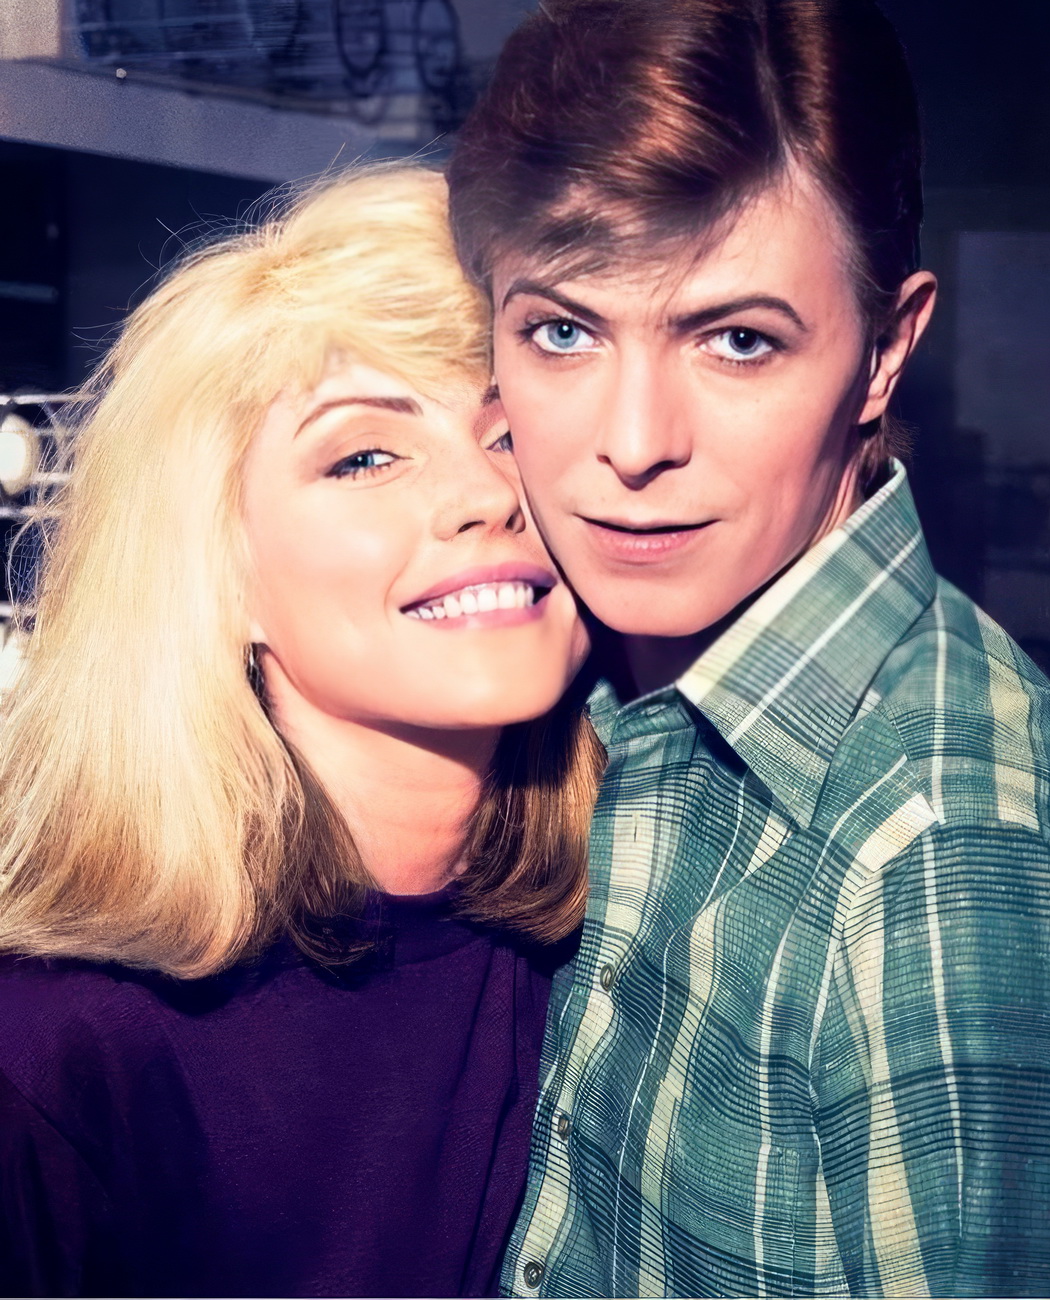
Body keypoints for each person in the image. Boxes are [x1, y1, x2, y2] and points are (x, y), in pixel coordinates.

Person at [446, 1, 1050, 1295]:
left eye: (736, 340)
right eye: (562, 331)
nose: (632, 443)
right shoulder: (596, 686)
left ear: (883, 354)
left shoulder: (939, 857)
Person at [0, 165, 602, 1299]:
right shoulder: (56, 1048)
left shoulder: (636, 928)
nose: (484, 494)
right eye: (364, 456)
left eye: (510, 434)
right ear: (218, 575)